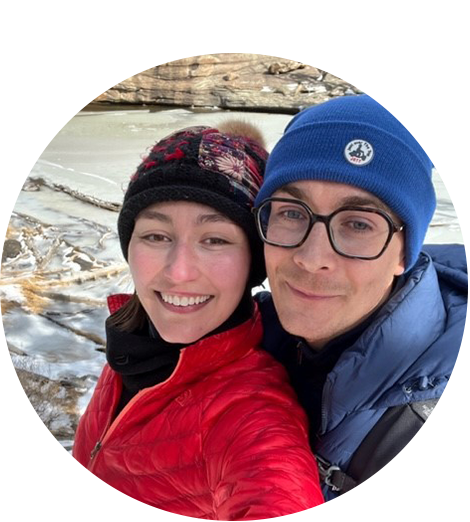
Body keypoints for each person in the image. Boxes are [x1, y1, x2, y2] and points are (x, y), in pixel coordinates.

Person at [72, 123, 330, 520]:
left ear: (253, 263)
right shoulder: (132, 340)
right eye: (156, 236)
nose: (179, 273)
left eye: (215, 240)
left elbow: (277, 489)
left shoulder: (251, 414)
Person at [252, 95, 470, 515]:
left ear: (404, 253)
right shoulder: (255, 338)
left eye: (357, 224)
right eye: (293, 213)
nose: (312, 256)